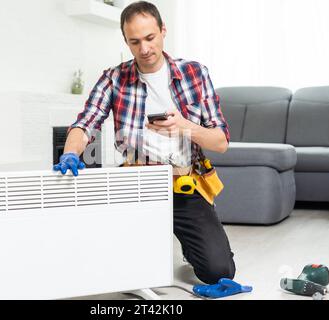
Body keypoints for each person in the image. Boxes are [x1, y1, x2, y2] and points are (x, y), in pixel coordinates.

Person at [54, 1, 235, 284]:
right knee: (127, 274)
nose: (145, 49)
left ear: (163, 30)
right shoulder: (114, 78)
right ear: (126, 41)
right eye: (134, 42)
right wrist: (69, 153)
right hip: (135, 184)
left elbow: (220, 141)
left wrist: (183, 127)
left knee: (218, 272)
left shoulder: (195, 73)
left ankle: (191, 245)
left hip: (184, 183)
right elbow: (85, 123)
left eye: (150, 38)